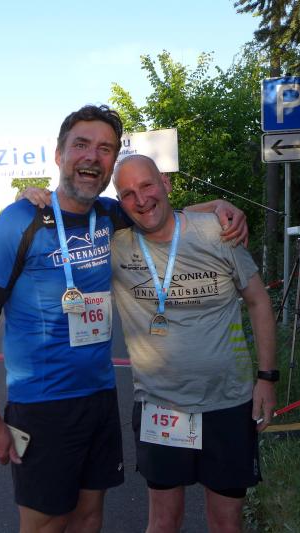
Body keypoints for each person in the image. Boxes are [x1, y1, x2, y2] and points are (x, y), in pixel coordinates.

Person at [0, 104, 247, 532]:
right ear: (59, 154)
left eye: (105, 149)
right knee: (47, 523)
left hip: (99, 398)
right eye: (81, 144)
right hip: (42, 404)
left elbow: (161, 214)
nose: (92, 156)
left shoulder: (110, 215)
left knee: (89, 518)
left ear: (112, 161)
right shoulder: (20, 220)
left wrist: (221, 205)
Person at [110, 155, 276, 532]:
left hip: (228, 402)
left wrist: (267, 378)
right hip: (160, 405)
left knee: (226, 523)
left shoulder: (216, 231)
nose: (141, 199)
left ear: (166, 183)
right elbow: (69, 221)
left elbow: (258, 302)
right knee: (163, 522)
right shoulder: (117, 246)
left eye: (147, 185)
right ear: (120, 202)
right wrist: (32, 199)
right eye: (128, 193)